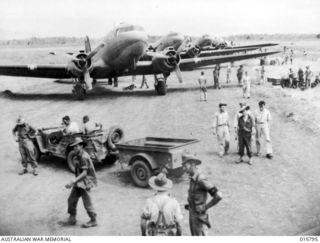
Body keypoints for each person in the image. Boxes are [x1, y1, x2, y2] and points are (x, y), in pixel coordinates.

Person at [59, 137, 98, 228]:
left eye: (76, 146)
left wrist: (73, 181)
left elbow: (84, 173)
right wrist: (75, 181)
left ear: (81, 146)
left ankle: (93, 220)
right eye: (73, 147)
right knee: (71, 199)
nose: (74, 148)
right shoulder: (78, 155)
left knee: (87, 202)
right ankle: (72, 218)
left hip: (86, 181)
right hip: (79, 181)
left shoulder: (84, 156)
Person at [182, 154, 222, 236]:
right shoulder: (193, 178)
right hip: (193, 213)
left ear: (192, 164)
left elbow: (218, 196)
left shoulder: (201, 180)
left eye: (185, 165)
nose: (183, 168)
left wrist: (205, 207)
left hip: (199, 217)